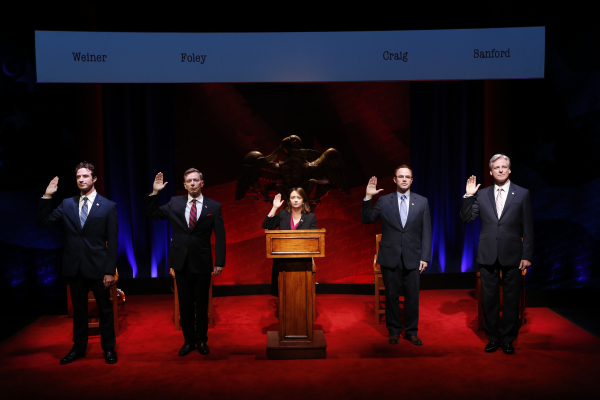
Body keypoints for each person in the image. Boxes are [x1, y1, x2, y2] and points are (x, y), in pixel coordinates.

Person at [37, 162, 119, 364]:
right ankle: (79, 348)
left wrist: (110, 271)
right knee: (79, 311)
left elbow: (114, 242)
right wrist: (47, 195)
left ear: (94, 179)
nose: (81, 179)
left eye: (85, 176)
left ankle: (109, 348)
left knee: (105, 311)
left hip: (99, 269)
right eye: (78, 177)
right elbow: (43, 221)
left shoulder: (108, 206)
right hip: (74, 268)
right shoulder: (67, 204)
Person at [147, 169, 225, 357]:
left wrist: (220, 261)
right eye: (189, 181)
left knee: (202, 303)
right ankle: (189, 341)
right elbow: (153, 213)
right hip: (180, 261)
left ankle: (202, 340)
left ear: (202, 183)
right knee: (185, 304)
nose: (192, 183)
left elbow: (220, 236)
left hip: (203, 262)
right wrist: (155, 193)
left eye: (195, 180)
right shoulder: (175, 202)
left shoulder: (213, 206)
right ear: (184, 185)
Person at [461, 154, 533, 355]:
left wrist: (527, 254)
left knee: (511, 299)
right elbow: (467, 218)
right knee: (490, 298)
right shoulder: (481, 194)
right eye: (496, 167)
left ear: (509, 170)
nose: (500, 170)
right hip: (488, 254)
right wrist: (468, 196)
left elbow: (528, 227)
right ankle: (493, 338)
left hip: (513, 254)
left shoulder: (522, 193)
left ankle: (508, 339)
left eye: (504, 167)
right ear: (491, 172)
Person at [361, 165, 432, 346]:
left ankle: (411, 332)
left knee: (412, 296)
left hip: (414, 257)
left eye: (407, 177)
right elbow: (367, 218)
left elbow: (427, 232)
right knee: (391, 296)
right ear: (394, 180)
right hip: (390, 256)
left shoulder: (422, 202)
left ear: (412, 179)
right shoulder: (384, 201)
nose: (404, 179)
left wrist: (425, 257)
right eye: (400, 176)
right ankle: (393, 331)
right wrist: (369, 197)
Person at [262, 188, 317, 296]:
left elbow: (314, 240)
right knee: (282, 293)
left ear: (303, 200)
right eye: (293, 197)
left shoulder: (311, 217)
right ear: (289, 201)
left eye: (298, 197)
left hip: (303, 262)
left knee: (301, 294)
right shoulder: (282, 214)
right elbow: (266, 226)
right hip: (282, 262)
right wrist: (274, 207)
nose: (295, 200)